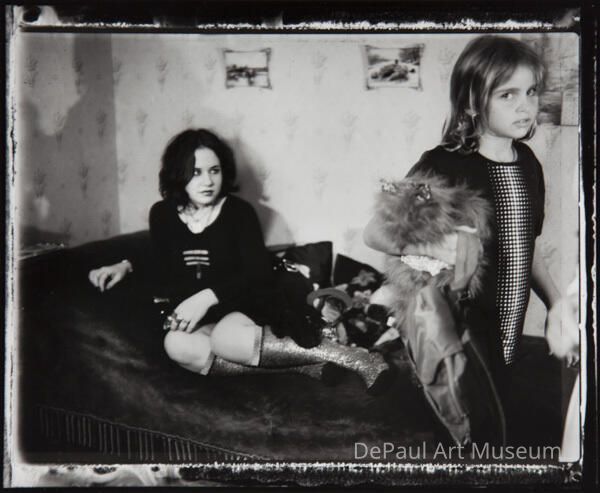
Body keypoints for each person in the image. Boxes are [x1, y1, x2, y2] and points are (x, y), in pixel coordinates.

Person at [89, 128, 391, 392]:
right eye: (195, 172)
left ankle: (356, 358)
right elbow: (159, 256)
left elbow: (257, 274)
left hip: (244, 304)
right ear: (177, 174)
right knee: (176, 345)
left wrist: (205, 298)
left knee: (226, 340)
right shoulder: (163, 213)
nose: (207, 181)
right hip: (204, 316)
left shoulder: (238, 212)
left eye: (214, 170)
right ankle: (300, 366)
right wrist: (125, 265)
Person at [365, 35, 578, 391]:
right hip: (458, 332)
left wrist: (556, 304)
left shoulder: (529, 164)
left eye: (530, 92)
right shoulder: (442, 164)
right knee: (464, 414)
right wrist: (436, 248)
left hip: (511, 327)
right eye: (507, 95)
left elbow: (526, 246)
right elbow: (375, 233)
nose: (525, 106)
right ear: (472, 102)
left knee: (502, 404)